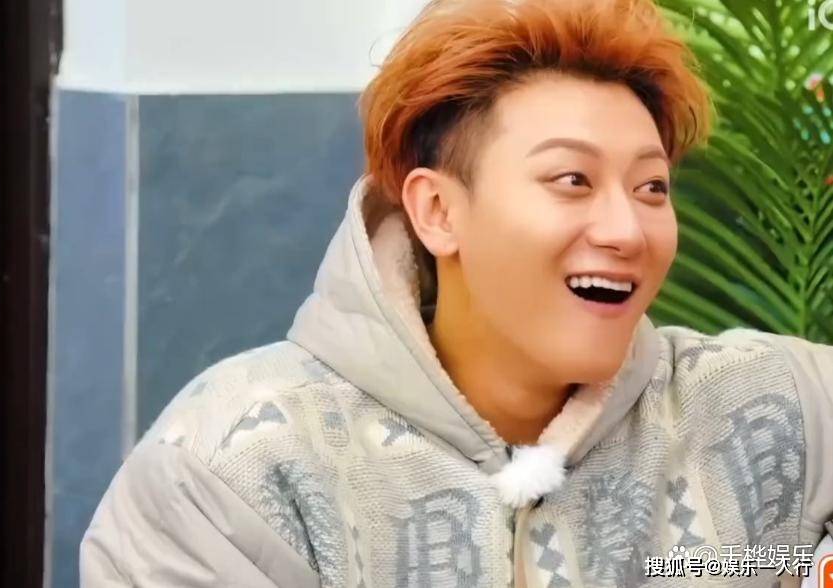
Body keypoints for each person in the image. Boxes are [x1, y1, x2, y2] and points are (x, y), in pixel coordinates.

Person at [80, 0, 833, 585]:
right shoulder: (232, 467)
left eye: (651, 187)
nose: (625, 229)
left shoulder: (778, 411)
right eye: (572, 179)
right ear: (438, 210)